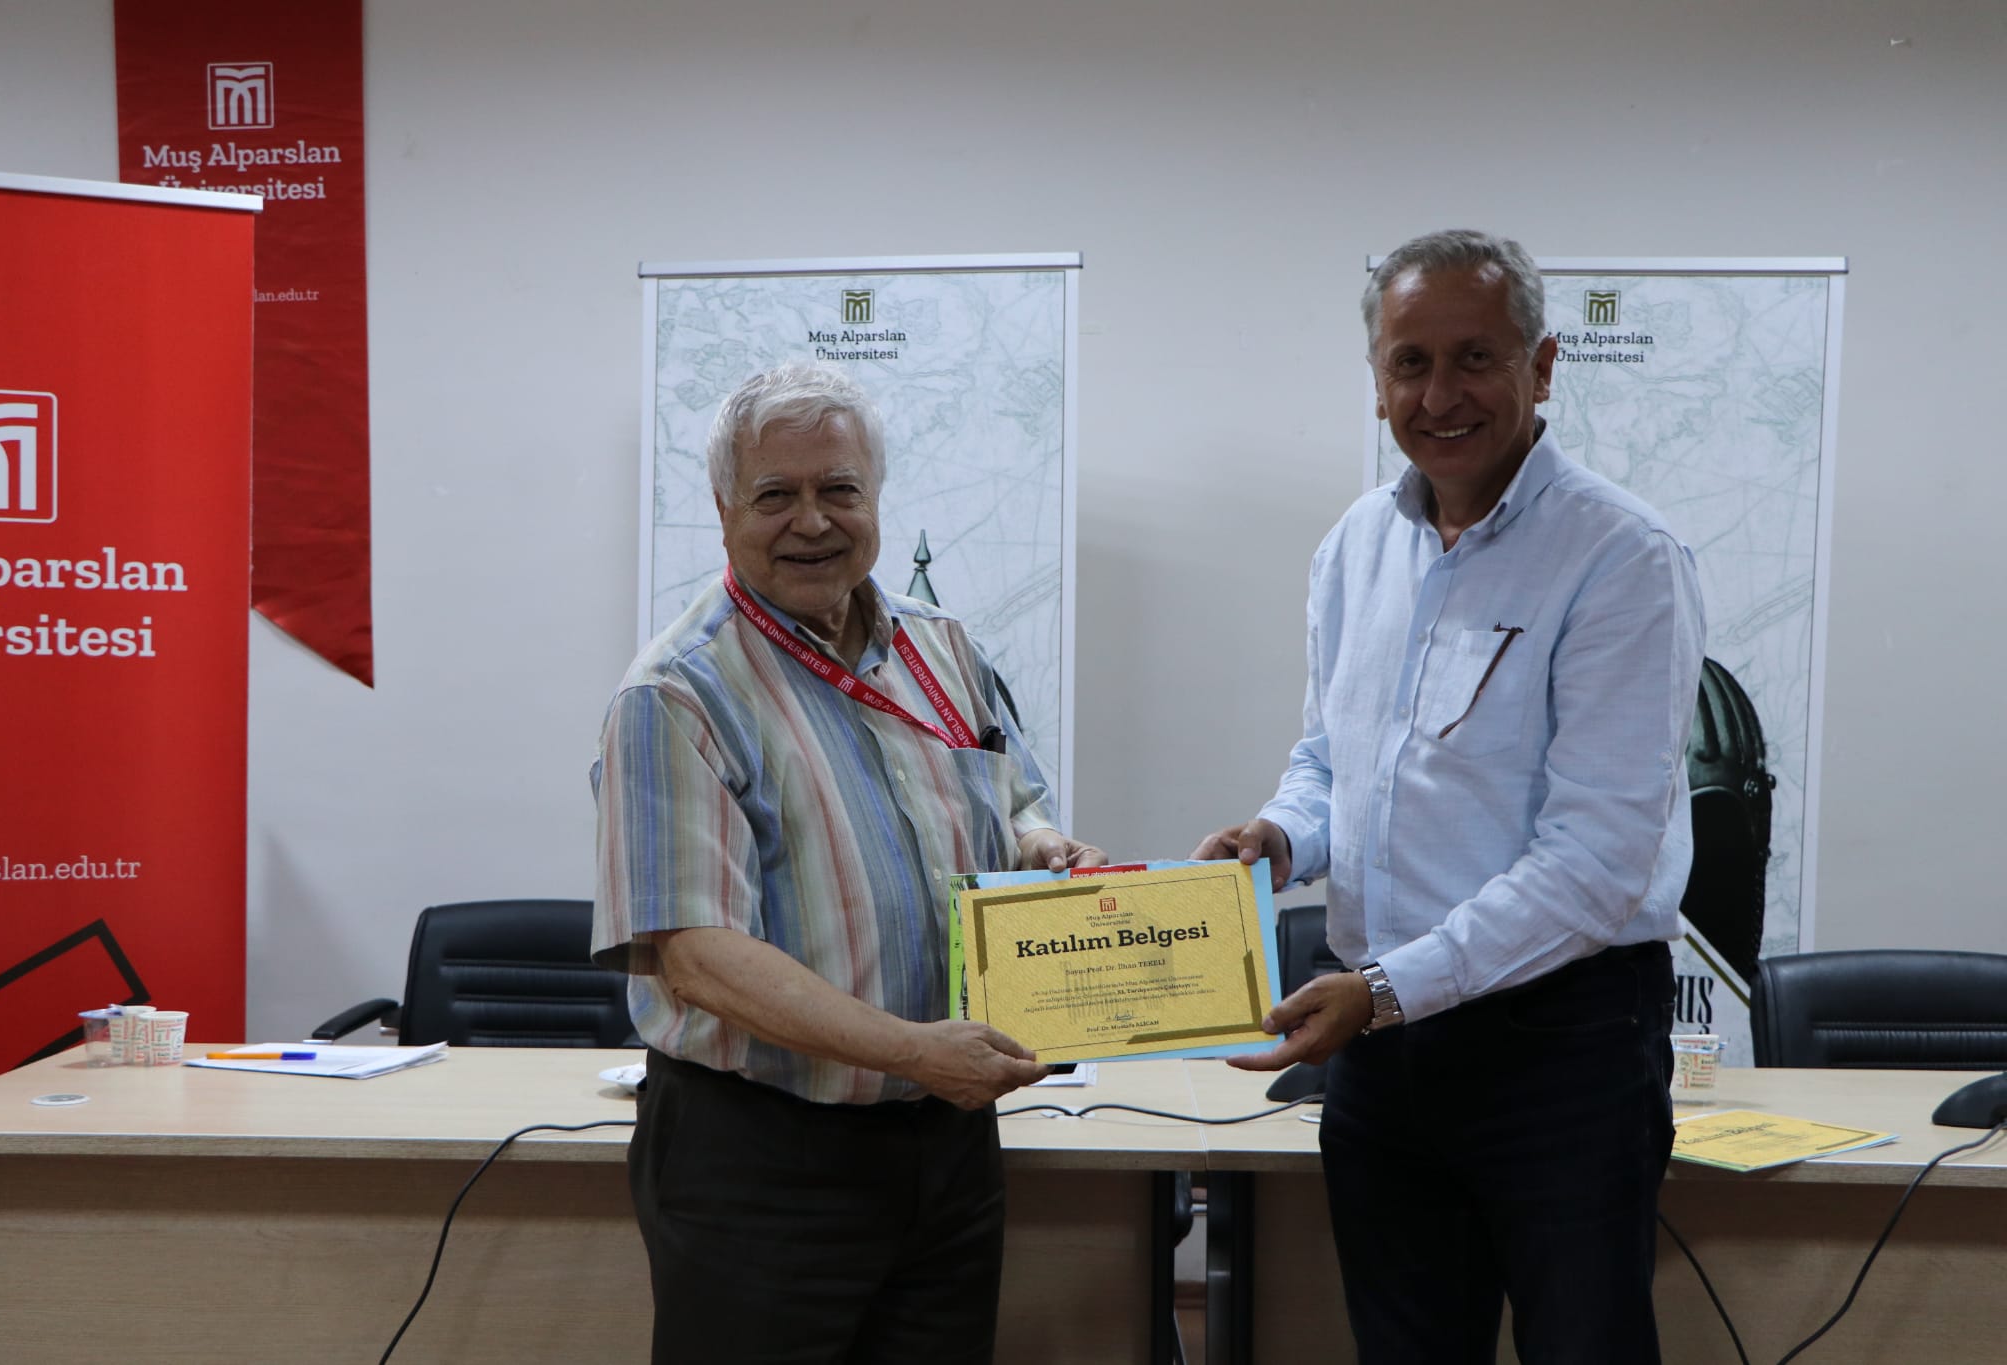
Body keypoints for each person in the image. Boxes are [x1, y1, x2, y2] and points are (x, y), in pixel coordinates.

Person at [1195, 229, 1705, 1363]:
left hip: (1559, 1047)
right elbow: (1331, 758)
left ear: (1542, 366)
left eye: (1475, 358)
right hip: (1383, 1054)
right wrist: (1282, 835)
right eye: (1409, 363)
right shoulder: (1354, 546)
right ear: (1376, 379)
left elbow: (1595, 862)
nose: (1439, 396)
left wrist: (1382, 992)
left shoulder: (1622, 556)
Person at [592, 362, 1101, 1364]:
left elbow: (1012, 795)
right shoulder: (675, 695)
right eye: (774, 495)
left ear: (876, 496)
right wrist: (911, 1050)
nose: (812, 521)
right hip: (763, 1158)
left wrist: (1045, 845)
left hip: (945, 1145)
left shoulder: (941, 648)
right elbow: (696, 954)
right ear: (724, 510)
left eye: (838, 489)